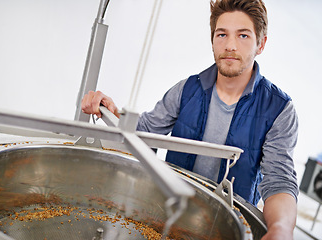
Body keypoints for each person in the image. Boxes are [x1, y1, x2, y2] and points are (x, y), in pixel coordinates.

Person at [81, 0, 298, 239]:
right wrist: (110, 110)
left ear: (261, 43)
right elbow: (143, 133)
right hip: (170, 216)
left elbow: (279, 180)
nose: (230, 45)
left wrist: (280, 229)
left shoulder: (279, 109)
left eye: (243, 36)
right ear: (212, 39)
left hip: (227, 227)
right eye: (222, 34)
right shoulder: (186, 90)